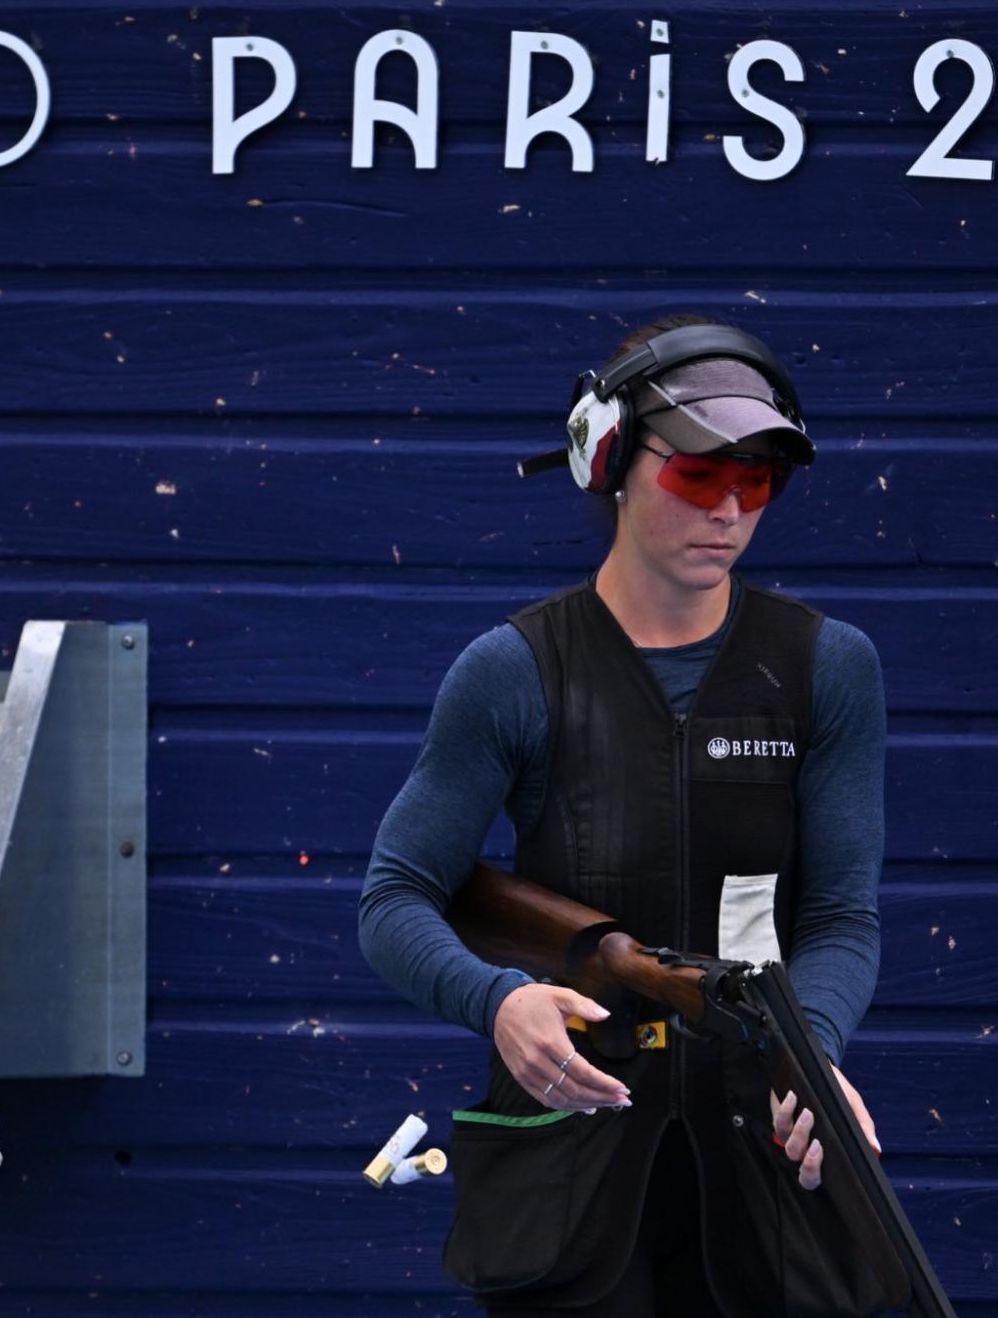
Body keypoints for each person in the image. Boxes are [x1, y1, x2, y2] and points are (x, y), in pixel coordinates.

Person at [357, 314, 888, 1316]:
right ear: (605, 458)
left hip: (764, 1166)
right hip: (569, 1170)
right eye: (697, 473)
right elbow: (394, 897)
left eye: (757, 481)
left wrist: (809, 1055)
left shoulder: (828, 668)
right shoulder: (512, 671)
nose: (727, 508)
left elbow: (840, 917)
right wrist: (499, 1003)